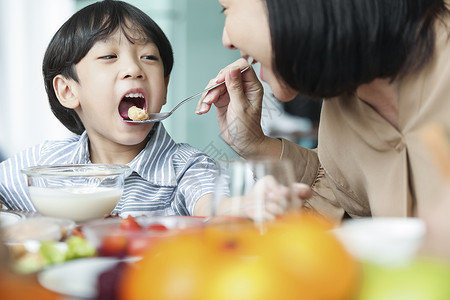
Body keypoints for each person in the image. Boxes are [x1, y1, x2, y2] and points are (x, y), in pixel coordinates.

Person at [196, 0, 450, 223]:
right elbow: (345, 194)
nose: (226, 40)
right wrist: (255, 143)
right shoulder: (342, 101)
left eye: (226, 9)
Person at [0, 0, 217, 218]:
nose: (134, 69)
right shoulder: (45, 163)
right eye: (109, 56)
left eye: (148, 57)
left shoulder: (188, 167)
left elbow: (219, 210)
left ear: (165, 86)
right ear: (67, 91)